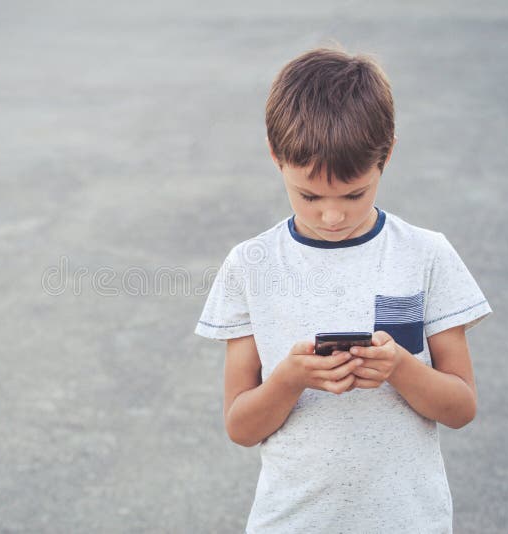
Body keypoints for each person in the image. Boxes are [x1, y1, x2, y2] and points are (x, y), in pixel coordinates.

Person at [194, 47, 492, 533]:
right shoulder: (251, 264)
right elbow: (240, 426)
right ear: (275, 156)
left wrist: (400, 368)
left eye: (354, 194)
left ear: (387, 154)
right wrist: (289, 379)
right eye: (309, 196)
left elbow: (461, 407)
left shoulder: (425, 254)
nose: (332, 216)